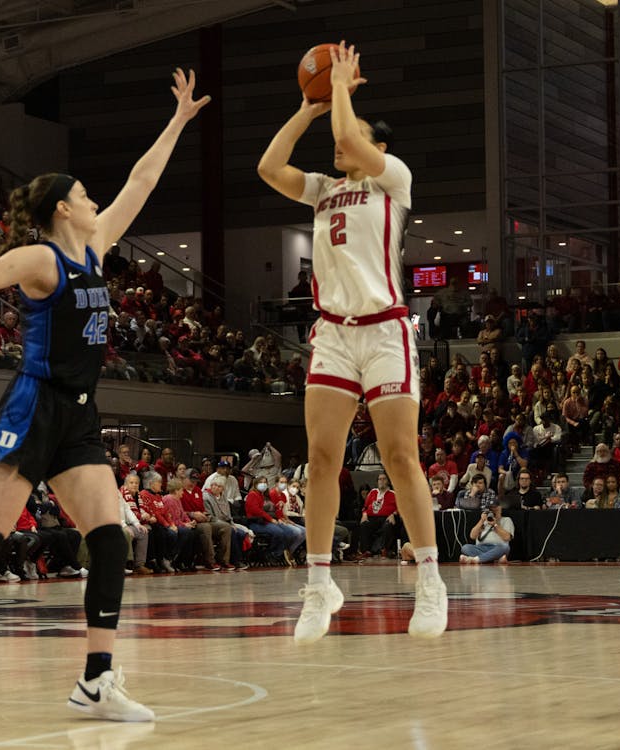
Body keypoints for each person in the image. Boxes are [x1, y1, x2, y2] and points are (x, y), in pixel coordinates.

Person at [0, 68, 210, 722]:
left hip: (80, 416)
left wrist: (176, 121)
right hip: (33, 406)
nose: (95, 198)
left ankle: (96, 679)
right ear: (63, 207)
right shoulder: (40, 260)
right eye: (85, 193)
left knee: (110, 539)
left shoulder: (93, 245)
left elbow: (141, 180)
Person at [257, 41, 446, 643]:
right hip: (334, 334)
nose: (338, 143)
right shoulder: (322, 188)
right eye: (337, 136)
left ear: (378, 147)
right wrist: (310, 106)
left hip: (387, 330)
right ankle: (318, 585)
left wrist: (338, 91)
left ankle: (430, 579)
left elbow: (353, 133)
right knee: (321, 460)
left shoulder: (394, 180)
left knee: (399, 458)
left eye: (352, 136)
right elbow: (268, 166)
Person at [459, 499, 513, 564]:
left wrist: (495, 525)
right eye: (490, 509)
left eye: (494, 508)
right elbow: (472, 536)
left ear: (500, 508)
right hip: (481, 547)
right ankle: (492, 558)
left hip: (497, 547)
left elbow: (507, 537)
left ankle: (476, 559)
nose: (492, 510)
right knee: (465, 547)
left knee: (505, 547)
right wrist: (481, 520)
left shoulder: (506, 520)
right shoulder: (484, 521)